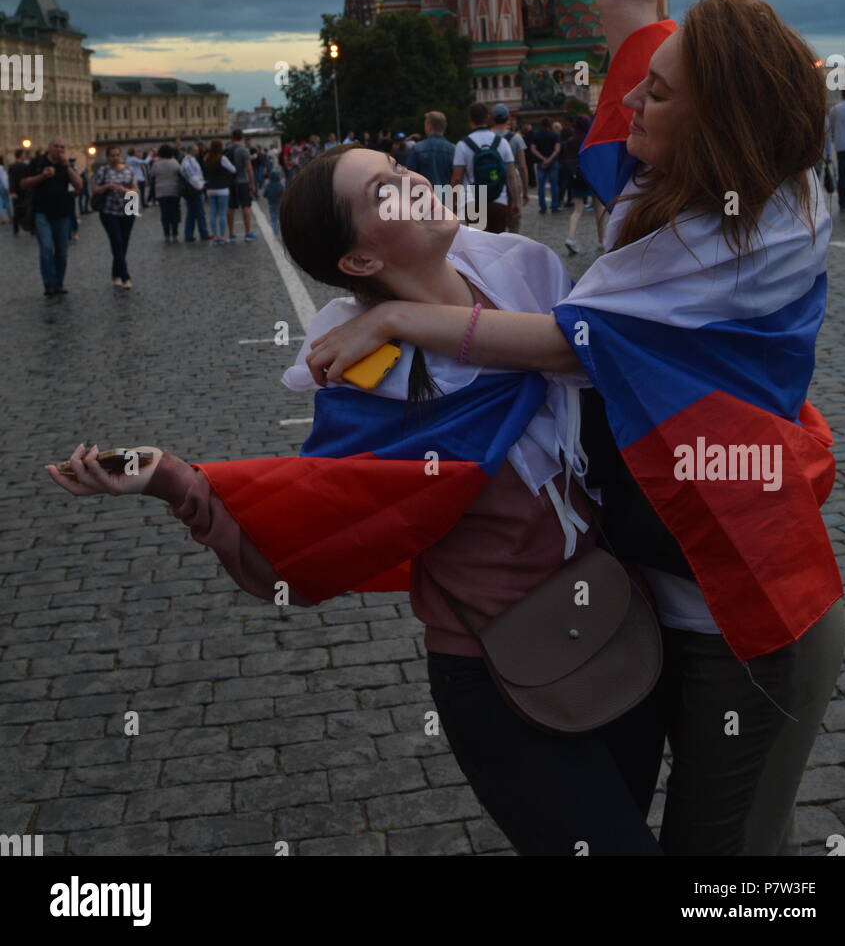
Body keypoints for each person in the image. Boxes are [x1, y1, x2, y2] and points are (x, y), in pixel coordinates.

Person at [301, 0, 845, 859]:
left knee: (730, 857)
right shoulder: (683, 167)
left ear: (717, 119)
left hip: (742, 596)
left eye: (657, 92)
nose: (628, 100)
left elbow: (559, 342)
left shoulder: (743, 237)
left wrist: (399, 312)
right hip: (662, 586)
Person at [47, 142, 667, 858]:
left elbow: (604, 359)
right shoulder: (368, 375)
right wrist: (174, 479)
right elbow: (313, 515)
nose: (411, 181)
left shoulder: (525, 270)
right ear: (361, 263)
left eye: (399, 168)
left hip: (617, 621)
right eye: (382, 192)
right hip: (499, 670)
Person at [19, 136, 82, 296]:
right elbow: (23, 183)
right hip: (42, 213)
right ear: (49, 148)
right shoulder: (38, 162)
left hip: (63, 213)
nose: (60, 150)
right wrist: (42, 176)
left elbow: (79, 185)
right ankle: (49, 284)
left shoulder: (66, 165)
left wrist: (67, 166)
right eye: (57, 146)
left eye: (62, 147)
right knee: (46, 249)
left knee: (61, 252)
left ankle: (58, 283)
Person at [451, 102, 520, 234]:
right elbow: (511, 176)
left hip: (473, 201)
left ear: (470, 119)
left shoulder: (462, 145)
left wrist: (452, 204)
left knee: (478, 248)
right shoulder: (502, 142)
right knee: (497, 245)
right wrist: (516, 201)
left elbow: (456, 179)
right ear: (488, 117)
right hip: (499, 199)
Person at [91, 145, 137, 287]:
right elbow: (95, 189)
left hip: (129, 207)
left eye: (117, 155)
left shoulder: (129, 170)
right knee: (116, 241)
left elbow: (136, 189)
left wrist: (126, 190)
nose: (115, 157)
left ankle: (115, 273)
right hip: (109, 211)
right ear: (107, 157)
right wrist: (107, 186)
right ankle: (125, 277)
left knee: (124, 243)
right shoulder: (103, 171)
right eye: (112, 155)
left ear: (120, 155)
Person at [490, 104, 529, 233]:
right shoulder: (516, 138)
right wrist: (525, 191)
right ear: (508, 118)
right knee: (514, 227)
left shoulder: (488, 137)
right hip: (513, 183)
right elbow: (523, 167)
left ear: (492, 118)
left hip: (493, 182)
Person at [563, 114, 592, 254]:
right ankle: (603, 239)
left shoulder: (570, 140)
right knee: (599, 209)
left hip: (575, 177)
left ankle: (570, 237)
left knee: (577, 210)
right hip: (590, 175)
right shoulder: (589, 140)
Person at [405, 111, 455, 188]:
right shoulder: (453, 149)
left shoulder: (417, 148)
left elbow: (410, 177)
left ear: (429, 126)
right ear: (444, 126)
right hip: (447, 196)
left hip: (425, 196)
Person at [224, 128, 257, 242]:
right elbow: (249, 169)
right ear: (242, 137)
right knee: (246, 206)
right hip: (242, 181)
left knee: (230, 207)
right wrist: (252, 184)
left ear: (232, 137)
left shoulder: (227, 150)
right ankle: (248, 232)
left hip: (230, 182)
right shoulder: (243, 150)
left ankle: (231, 233)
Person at [203, 138, 236, 244]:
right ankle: (222, 236)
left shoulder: (207, 158)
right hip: (222, 187)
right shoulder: (222, 158)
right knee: (222, 213)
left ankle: (215, 235)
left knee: (213, 213)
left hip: (210, 188)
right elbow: (233, 169)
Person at [180, 142, 210, 242]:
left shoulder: (189, 160)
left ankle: (189, 234)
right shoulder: (189, 161)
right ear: (191, 151)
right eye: (196, 150)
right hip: (194, 189)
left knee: (192, 213)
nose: (197, 152)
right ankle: (203, 233)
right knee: (200, 212)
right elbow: (193, 176)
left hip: (192, 189)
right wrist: (201, 186)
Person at [530, 118, 561, 214]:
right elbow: (557, 150)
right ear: (549, 125)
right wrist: (549, 159)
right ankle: (554, 206)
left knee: (541, 186)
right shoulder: (554, 135)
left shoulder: (536, 135)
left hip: (541, 163)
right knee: (554, 185)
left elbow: (533, 149)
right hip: (553, 162)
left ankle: (542, 207)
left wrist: (543, 159)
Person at [152, 144, 182, 241]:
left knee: (164, 213)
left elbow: (151, 175)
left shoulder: (156, 163)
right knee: (174, 212)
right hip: (174, 190)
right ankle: (175, 233)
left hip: (161, 192)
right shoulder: (175, 162)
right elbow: (180, 173)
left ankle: (166, 234)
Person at [8, 148, 30, 234]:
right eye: (24, 154)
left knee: (16, 209)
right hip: (24, 190)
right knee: (25, 207)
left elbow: (11, 179)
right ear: (21, 155)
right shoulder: (24, 166)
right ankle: (26, 226)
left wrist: (12, 191)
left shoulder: (12, 166)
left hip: (16, 190)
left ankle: (16, 228)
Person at [263, 166, 284, 233]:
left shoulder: (268, 185)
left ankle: (275, 229)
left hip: (271, 204)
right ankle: (279, 228)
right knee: (279, 217)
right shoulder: (280, 185)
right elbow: (283, 194)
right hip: (279, 203)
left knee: (273, 217)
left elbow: (265, 195)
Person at [0, 158, 10, 222]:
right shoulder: (1, 168)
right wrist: (7, 187)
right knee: (7, 201)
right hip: (2, 186)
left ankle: (2, 218)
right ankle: (9, 216)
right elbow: (3, 178)